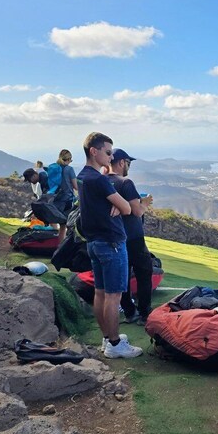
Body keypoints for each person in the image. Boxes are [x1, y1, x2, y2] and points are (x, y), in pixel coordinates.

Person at [76, 132, 144, 359]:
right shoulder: (99, 179)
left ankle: (107, 339)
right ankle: (115, 344)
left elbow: (109, 205)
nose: (110, 157)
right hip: (112, 243)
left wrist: (115, 203)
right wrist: (118, 204)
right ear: (93, 151)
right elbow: (128, 209)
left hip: (94, 242)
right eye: (107, 152)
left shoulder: (83, 177)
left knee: (101, 293)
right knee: (114, 296)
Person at [107, 148, 154, 325]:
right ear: (121, 162)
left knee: (123, 276)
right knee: (144, 272)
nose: (128, 166)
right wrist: (145, 203)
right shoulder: (125, 183)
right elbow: (136, 211)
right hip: (133, 237)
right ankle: (144, 313)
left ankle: (129, 311)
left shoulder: (102, 181)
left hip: (114, 238)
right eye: (128, 163)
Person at [49, 149, 79, 242]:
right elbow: (75, 186)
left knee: (55, 222)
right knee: (64, 225)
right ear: (69, 159)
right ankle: (61, 246)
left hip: (55, 199)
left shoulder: (55, 168)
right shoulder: (69, 169)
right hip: (67, 200)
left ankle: (54, 243)